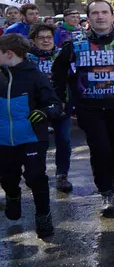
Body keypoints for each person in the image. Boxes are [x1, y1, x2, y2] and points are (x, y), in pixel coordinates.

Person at [52, 0, 114, 216]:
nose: (100, 17)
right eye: (95, 13)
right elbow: (58, 72)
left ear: (113, 16)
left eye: (104, 12)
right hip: (88, 107)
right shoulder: (75, 43)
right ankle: (106, 192)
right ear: (88, 18)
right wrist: (62, 97)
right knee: (100, 149)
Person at [0, 33, 62, 237]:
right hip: (3, 140)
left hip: (32, 137)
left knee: (36, 176)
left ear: (8, 54)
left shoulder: (34, 74)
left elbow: (54, 104)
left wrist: (45, 112)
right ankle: (13, 195)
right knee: (7, 177)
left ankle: (43, 216)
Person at [28, 23, 73, 192]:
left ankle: (62, 176)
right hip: (37, 108)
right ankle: (38, 175)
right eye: (41, 38)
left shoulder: (63, 55)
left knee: (63, 140)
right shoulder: (27, 58)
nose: (46, 41)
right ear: (33, 40)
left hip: (61, 105)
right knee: (39, 144)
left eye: (49, 37)